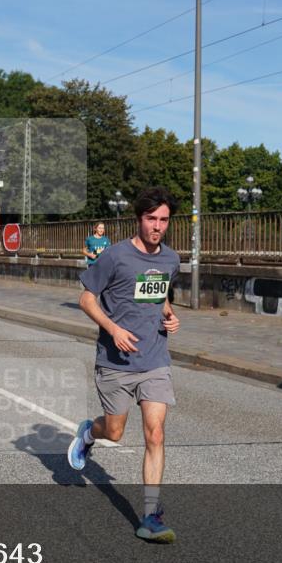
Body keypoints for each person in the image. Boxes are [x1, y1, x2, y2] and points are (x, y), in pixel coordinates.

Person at [68, 187, 181, 543]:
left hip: (154, 359)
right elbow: (86, 298)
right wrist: (113, 328)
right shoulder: (115, 256)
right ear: (139, 219)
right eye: (151, 219)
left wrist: (169, 315)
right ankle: (89, 433)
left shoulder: (171, 260)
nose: (157, 226)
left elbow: (159, 293)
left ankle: (150, 516)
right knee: (114, 432)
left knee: (156, 433)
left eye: (163, 220)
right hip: (115, 361)